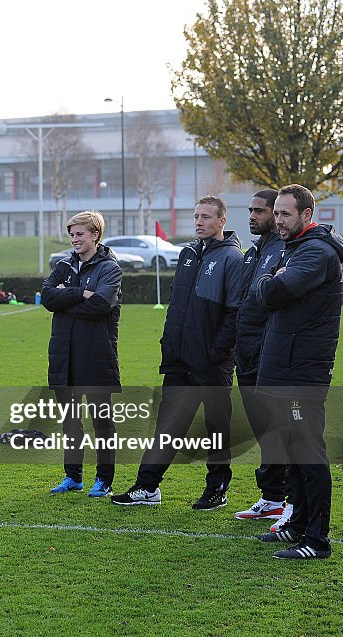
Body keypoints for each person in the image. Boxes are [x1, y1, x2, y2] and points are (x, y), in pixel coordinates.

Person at [111, 196, 244, 509]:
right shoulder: (187, 253)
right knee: (167, 426)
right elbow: (178, 308)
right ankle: (147, 487)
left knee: (216, 429)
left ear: (222, 221)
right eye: (196, 216)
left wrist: (216, 351)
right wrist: (169, 345)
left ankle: (217, 489)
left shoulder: (233, 259)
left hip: (212, 363)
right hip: (178, 360)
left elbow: (236, 312)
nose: (199, 222)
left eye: (207, 217)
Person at [254, 184, 343, 560]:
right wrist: (272, 277)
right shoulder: (295, 249)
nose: (278, 221)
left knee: (308, 451)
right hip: (283, 366)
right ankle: (296, 525)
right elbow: (270, 291)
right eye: (276, 213)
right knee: (291, 450)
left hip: (301, 372)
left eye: (285, 214)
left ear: (307, 214)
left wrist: (270, 278)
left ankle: (317, 539)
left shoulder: (315, 252)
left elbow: (272, 293)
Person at [40, 211, 122, 498]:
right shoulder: (63, 265)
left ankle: (104, 480)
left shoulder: (110, 268)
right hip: (64, 356)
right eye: (72, 234)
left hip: (96, 355)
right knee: (70, 422)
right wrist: (80, 293)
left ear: (95, 235)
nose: (74, 239)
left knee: (102, 423)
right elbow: (47, 298)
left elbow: (101, 305)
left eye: (80, 234)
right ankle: (72, 476)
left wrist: (67, 297)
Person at [232, 189, 291, 527]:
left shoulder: (284, 250)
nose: (252, 216)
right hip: (247, 352)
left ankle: (289, 501)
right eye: (250, 210)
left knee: (282, 428)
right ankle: (271, 497)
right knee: (264, 430)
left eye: (260, 210)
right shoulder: (254, 252)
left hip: (270, 353)